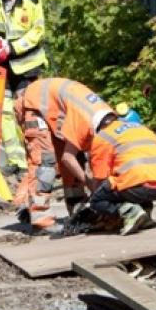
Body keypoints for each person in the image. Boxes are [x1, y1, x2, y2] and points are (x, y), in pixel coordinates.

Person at [13, 78, 114, 228]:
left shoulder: (106, 121)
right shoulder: (86, 121)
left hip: (55, 110)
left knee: (77, 158)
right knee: (45, 161)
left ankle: (77, 206)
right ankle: (40, 215)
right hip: (34, 105)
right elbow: (68, 158)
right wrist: (91, 184)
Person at [85, 113, 156, 235]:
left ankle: (130, 212)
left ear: (99, 127)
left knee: (98, 199)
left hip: (139, 185)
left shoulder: (103, 136)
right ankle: (144, 212)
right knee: (129, 180)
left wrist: (103, 208)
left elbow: (100, 177)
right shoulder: (141, 128)